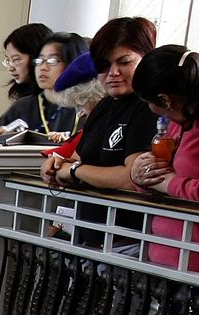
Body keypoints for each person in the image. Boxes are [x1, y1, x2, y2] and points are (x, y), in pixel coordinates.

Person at [39, 17, 159, 251]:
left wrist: (74, 171)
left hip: (127, 241)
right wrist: (57, 164)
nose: (113, 73)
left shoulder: (149, 107)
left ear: (146, 58)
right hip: (90, 236)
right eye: (104, 65)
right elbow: (78, 157)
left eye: (124, 62)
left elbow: (133, 178)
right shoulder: (104, 106)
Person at [133, 46, 199, 276]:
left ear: (165, 100)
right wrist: (141, 176)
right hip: (168, 255)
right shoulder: (183, 116)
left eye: (153, 107)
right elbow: (166, 174)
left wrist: (169, 183)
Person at [2, 32, 89, 142]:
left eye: (52, 61)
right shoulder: (22, 106)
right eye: (39, 61)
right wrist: (1, 137)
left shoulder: (89, 106)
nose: (43, 67)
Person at [0, 22, 52, 132]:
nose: (10, 68)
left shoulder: (63, 101)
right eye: (8, 60)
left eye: (16, 60)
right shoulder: (22, 103)